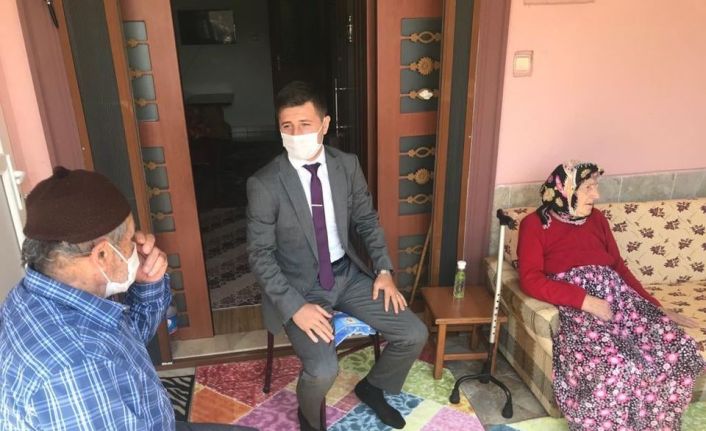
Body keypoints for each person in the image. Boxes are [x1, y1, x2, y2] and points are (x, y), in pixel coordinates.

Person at [0, 167, 254, 431]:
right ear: (102, 255)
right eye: (130, 239)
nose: (138, 246)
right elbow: (94, 358)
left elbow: (126, 343)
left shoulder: (30, 296)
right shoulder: (78, 366)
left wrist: (148, 282)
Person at [247, 81, 428, 431]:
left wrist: (384, 270)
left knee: (413, 333)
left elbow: (366, 221)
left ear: (325, 124)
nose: (296, 134)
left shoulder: (346, 165)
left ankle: (372, 387)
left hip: (347, 275)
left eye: (305, 124)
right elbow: (260, 255)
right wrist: (295, 307)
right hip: (299, 288)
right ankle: (309, 418)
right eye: (287, 126)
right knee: (323, 370)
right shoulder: (265, 183)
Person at [517, 161, 705, 430]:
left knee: (677, 348)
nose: (597, 195)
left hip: (621, 298)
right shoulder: (535, 225)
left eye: (596, 187)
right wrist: (586, 301)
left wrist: (654, 306)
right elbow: (530, 280)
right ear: (564, 190)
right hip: (578, 304)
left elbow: (618, 266)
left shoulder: (597, 219)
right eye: (588, 188)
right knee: (616, 364)